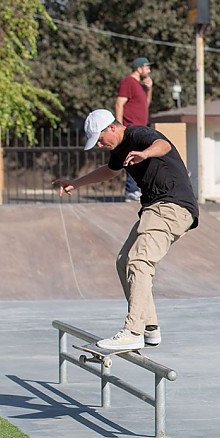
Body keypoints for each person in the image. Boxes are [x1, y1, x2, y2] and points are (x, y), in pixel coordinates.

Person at [51, 109, 198, 351]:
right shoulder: (117, 150)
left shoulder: (138, 134)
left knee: (139, 262)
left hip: (171, 206)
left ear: (112, 127)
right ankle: (150, 327)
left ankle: (133, 331)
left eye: (100, 139)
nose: (99, 145)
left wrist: (145, 154)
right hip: (154, 209)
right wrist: (75, 183)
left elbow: (163, 145)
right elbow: (110, 171)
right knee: (123, 261)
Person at [114, 56, 153, 202]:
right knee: (132, 157)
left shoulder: (139, 86)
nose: (149, 70)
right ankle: (131, 191)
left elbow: (145, 105)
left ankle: (136, 189)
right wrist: (119, 125)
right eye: (147, 67)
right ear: (139, 68)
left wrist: (149, 89)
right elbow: (119, 103)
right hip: (131, 126)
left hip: (140, 127)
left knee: (139, 157)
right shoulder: (128, 82)